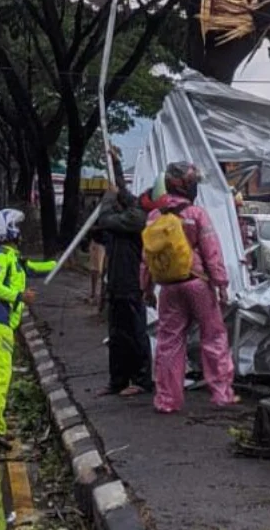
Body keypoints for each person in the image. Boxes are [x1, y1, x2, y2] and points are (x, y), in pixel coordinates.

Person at [140, 162, 236, 414]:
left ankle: (167, 400)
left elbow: (147, 257)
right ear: (187, 187)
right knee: (213, 336)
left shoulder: (154, 217)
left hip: (169, 287)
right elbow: (211, 251)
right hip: (197, 283)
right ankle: (222, 395)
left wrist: (146, 288)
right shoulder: (196, 214)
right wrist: (221, 283)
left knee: (169, 342)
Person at [0, 209, 55, 449]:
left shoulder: (12, 257)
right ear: (5, 231)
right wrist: (20, 296)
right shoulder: (0, 257)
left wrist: (58, 263)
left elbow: (34, 268)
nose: (19, 232)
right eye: (15, 228)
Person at [92, 164, 154, 397]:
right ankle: (117, 380)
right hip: (117, 282)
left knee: (135, 333)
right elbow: (123, 193)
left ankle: (141, 379)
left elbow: (106, 219)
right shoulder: (130, 215)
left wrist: (109, 197)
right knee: (117, 335)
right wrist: (115, 166)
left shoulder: (137, 219)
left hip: (131, 284)